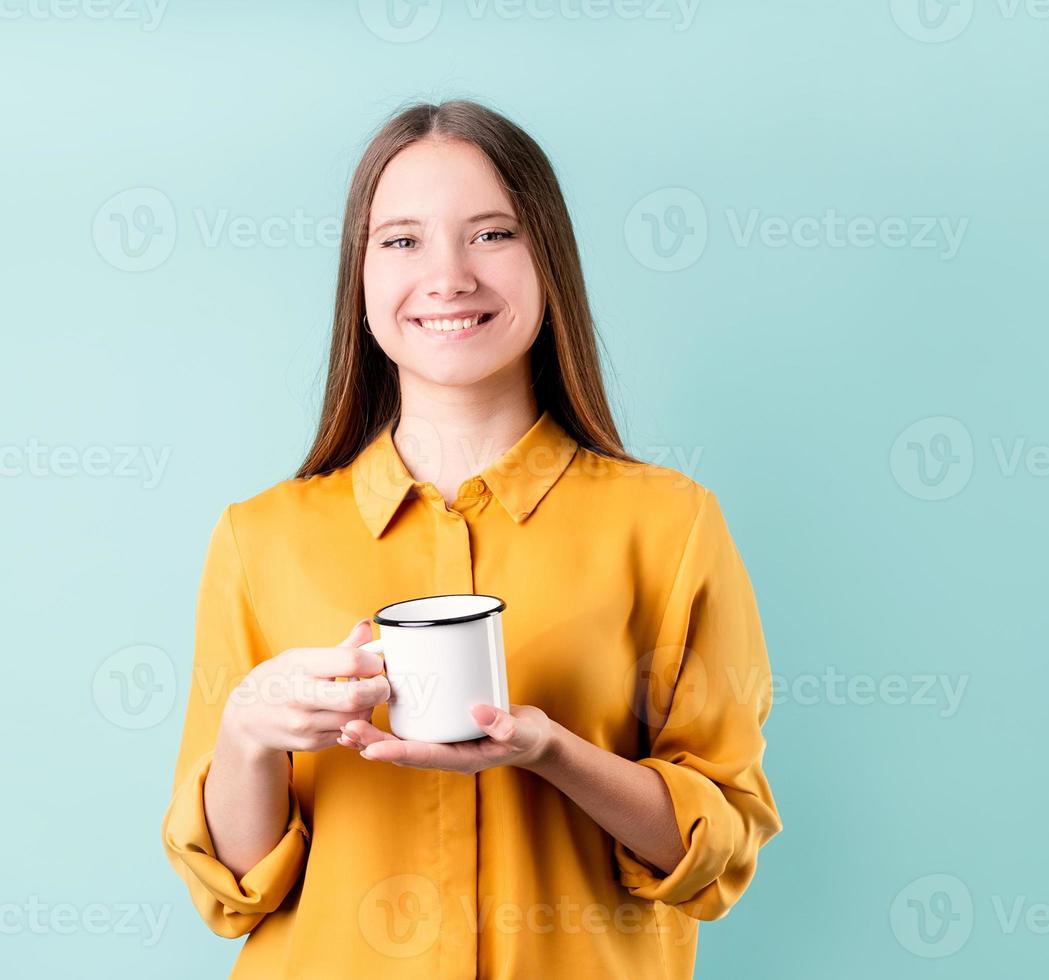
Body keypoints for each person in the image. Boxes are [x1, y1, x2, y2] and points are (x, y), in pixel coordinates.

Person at [160, 98, 782, 978]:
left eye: (492, 234)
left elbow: (715, 843)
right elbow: (233, 891)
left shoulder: (670, 524)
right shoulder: (259, 539)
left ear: (549, 262)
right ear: (362, 275)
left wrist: (553, 751)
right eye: (403, 241)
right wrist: (249, 733)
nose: (448, 277)